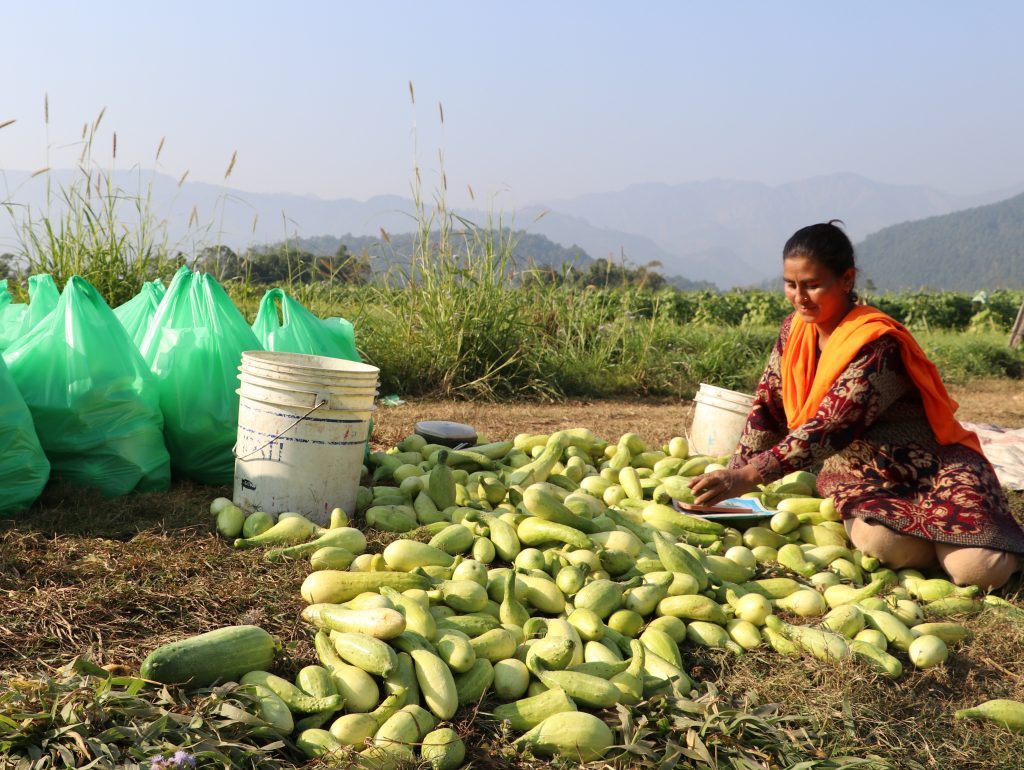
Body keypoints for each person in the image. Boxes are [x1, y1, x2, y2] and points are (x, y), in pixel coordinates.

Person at [689, 220, 1024, 589]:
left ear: (846, 280)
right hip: (863, 474)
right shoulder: (793, 332)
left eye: (813, 285)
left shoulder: (877, 344)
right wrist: (733, 486)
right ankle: (938, 545)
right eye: (791, 284)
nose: (800, 297)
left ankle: (963, 548)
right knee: (885, 544)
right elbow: (768, 407)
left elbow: (830, 426)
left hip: (935, 469)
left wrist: (748, 476)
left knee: (979, 572)